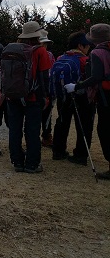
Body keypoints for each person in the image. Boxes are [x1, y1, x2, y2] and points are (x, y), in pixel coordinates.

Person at [65, 23, 110, 180]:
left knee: (104, 130)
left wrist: (76, 86)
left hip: (106, 97)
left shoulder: (98, 52)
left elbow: (96, 77)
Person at [5, 21, 51, 173]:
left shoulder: (12, 49)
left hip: (13, 96)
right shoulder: (40, 51)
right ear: (37, 35)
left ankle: (17, 161)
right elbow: (44, 77)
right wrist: (46, 97)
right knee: (32, 130)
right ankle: (32, 164)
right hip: (33, 96)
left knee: (15, 129)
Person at [51, 32, 93, 165]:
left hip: (63, 95)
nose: (89, 49)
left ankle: (58, 150)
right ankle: (80, 154)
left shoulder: (60, 58)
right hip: (82, 96)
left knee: (62, 121)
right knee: (84, 124)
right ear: (81, 46)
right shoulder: (84, 60)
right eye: (87, 46)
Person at [39, 31, 56, 147]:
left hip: (47, 88)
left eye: (45, 44)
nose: (44, 46)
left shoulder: (49, 55)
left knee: (47, 114)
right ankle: (39, 137)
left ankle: (46, 135)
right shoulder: (46, 55)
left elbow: (53, 71)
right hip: (38, 88)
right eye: (43, 43)